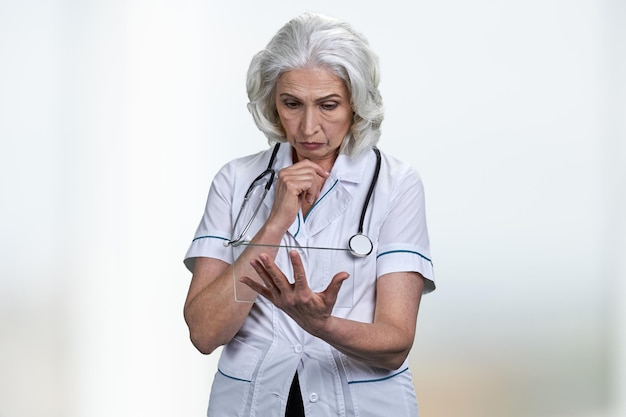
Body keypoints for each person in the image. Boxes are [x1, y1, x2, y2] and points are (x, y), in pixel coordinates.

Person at [183, 12, 435, 417]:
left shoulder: (396, 184)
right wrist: (275, 222)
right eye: (292, 104)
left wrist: (320, 324)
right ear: (271, 102)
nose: (308, 126)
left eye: (328, 105)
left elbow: (395, 343)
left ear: (357, 103)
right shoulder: (236, 181)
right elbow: (205, 332)